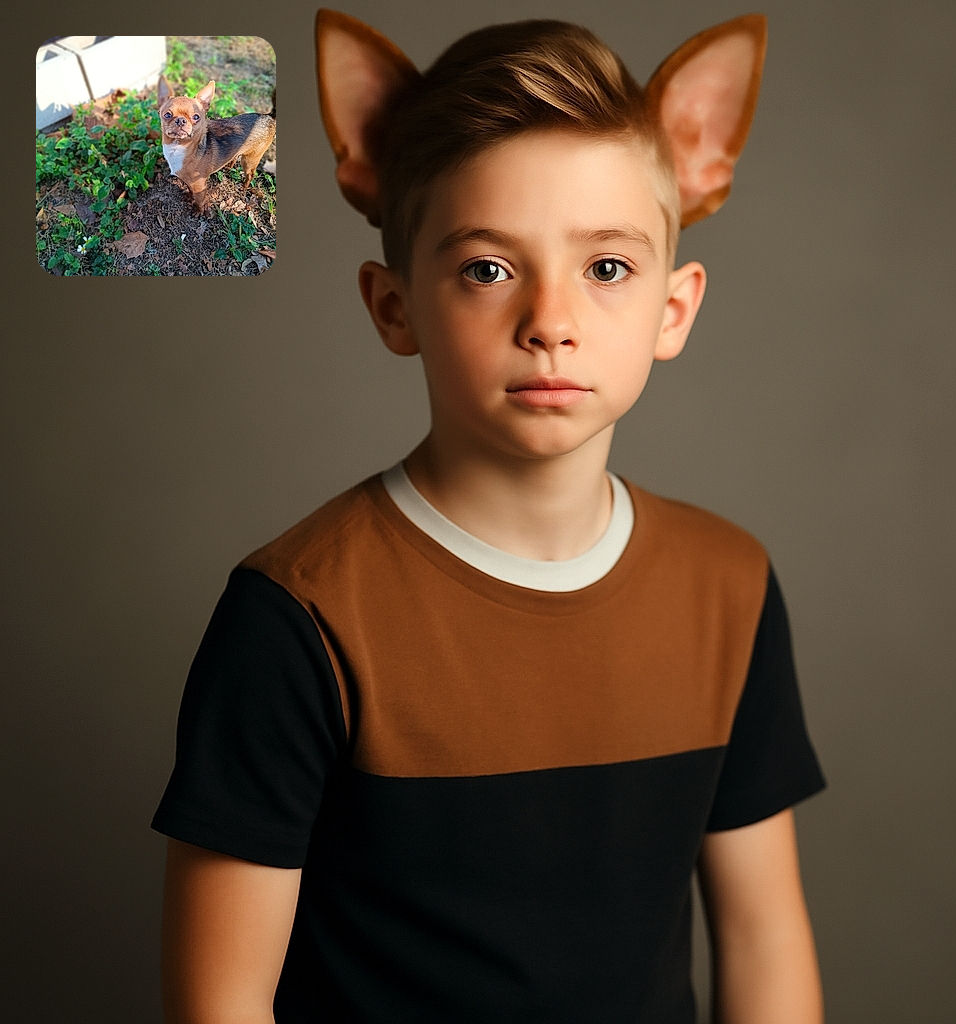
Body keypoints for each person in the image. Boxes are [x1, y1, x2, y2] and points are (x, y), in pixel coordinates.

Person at [154, 10, 826, 1023]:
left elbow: (763, 939)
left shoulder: (727, 586)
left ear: (673, 308)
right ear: (394, 307)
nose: (550, 320)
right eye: (486, 268)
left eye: (606, 267)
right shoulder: (296, 616)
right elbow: (220, 1003)